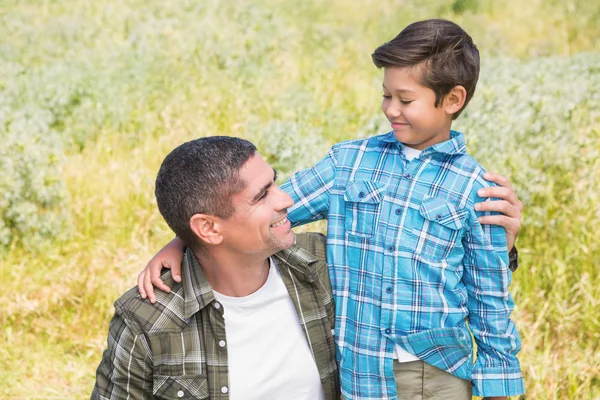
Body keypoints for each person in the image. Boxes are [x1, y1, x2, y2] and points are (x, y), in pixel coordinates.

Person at [139, 19, 525, 400]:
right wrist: (182, 240)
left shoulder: (480, 190)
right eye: (386, 95)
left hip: (436, 372)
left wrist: (498, 389)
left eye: (406, 100)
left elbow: (489, 298)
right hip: (358, 367)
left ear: (453, 100)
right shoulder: (349, 163)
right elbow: (260, 212)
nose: (391, 109)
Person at [92, 137, 340, 399]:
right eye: (262, 195)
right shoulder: (147, 322)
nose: (286, 200)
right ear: (208, 229)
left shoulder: (324, 263)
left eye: (274, 183)